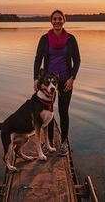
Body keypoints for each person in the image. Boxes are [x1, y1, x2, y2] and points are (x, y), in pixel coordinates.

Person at [33, 9, 81, 156]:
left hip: (66, 81)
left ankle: (64, 142)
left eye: (60, 19)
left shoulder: (71, 39)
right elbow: (38, 59)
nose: (57, 21)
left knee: (63, 111)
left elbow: (77, 60)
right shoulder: (45, 39)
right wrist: (36, 78)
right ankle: (50, 142)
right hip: (49, 83)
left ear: (64, 21)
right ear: (51, 21)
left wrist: (72, 78)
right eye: (55, 19)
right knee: (49, 112)